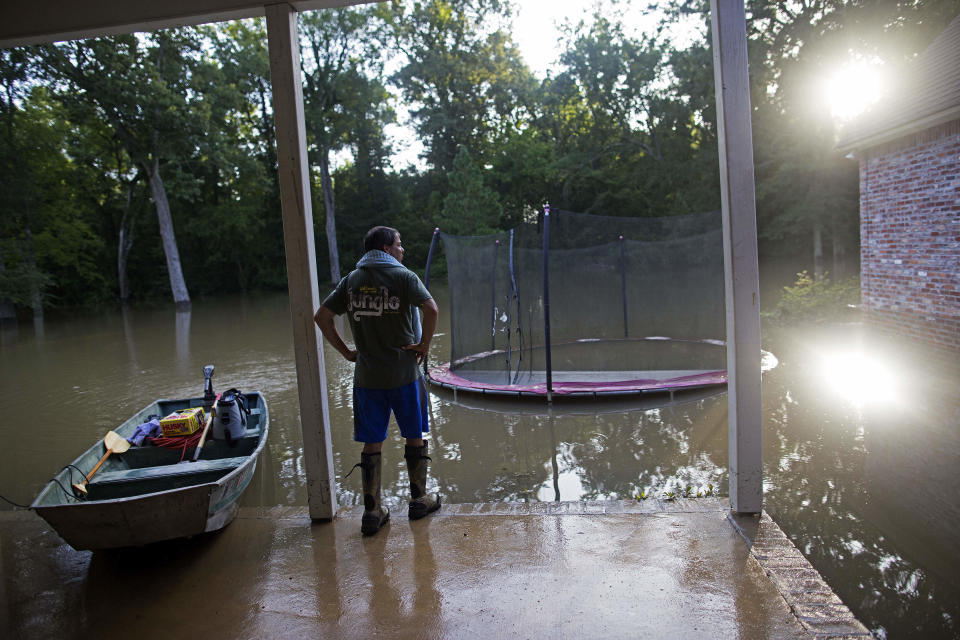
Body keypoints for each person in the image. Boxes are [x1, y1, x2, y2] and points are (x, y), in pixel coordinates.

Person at [314, 225, 441, 536]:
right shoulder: (403, 277)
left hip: (368, 377)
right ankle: (419, 500)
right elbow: (431, 309)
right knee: (414, 434)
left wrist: (346, 352)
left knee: (372, 442)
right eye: (399, 244)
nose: (402, 250)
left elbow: (322, 317)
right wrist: (424, 345)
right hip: (404, 373)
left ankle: (372, 511)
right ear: (386, 248)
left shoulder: (352, 281)